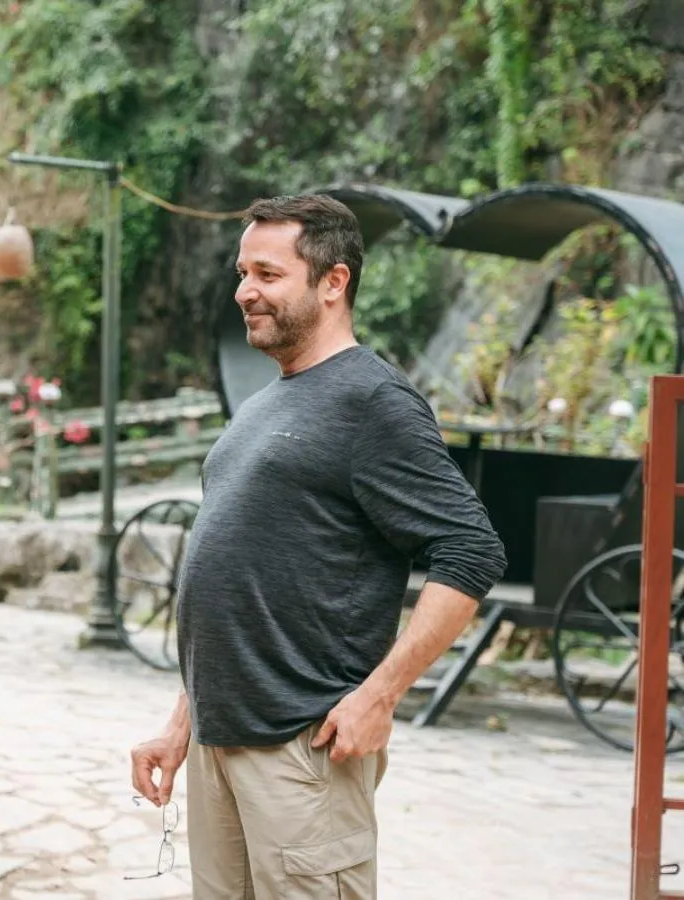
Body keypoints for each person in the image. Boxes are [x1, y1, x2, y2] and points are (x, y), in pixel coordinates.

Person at [129, 194, 506, 899]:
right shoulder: (266, 402)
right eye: (243, 273)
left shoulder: (374, 402)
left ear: (333, 282)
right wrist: (181, 723)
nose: (245, 291)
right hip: (221, 743)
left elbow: (471, 549)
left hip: (302, 751)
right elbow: (243, 584)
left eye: (268, 275)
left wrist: (381, 695)